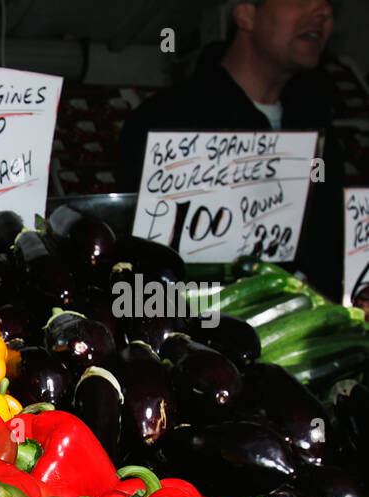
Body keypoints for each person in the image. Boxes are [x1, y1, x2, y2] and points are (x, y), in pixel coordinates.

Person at [118, 0, 343, 297]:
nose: (323, 11)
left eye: (329, 3)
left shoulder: (321, 128)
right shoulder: (166, 120)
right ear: (246, 14)